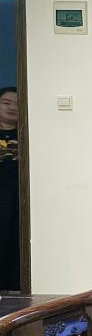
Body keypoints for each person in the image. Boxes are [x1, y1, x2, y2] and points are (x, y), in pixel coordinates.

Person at [0, 87, 20, 291]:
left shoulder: (26, 134)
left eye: (17, 103)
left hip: (18, 199)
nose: (12, 107)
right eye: (6, 103)